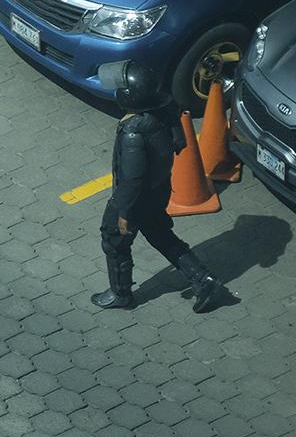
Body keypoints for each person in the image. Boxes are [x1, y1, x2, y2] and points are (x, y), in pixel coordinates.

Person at [93, 62, 224, 313]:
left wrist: (123, 213)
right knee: (160, 234)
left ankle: (121, 294)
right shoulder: (165, 109)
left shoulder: (133, 130)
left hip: (136, 199)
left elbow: (132, 179)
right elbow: (179, 142)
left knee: (114, 241)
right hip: (159, 189)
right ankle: (204, 280)